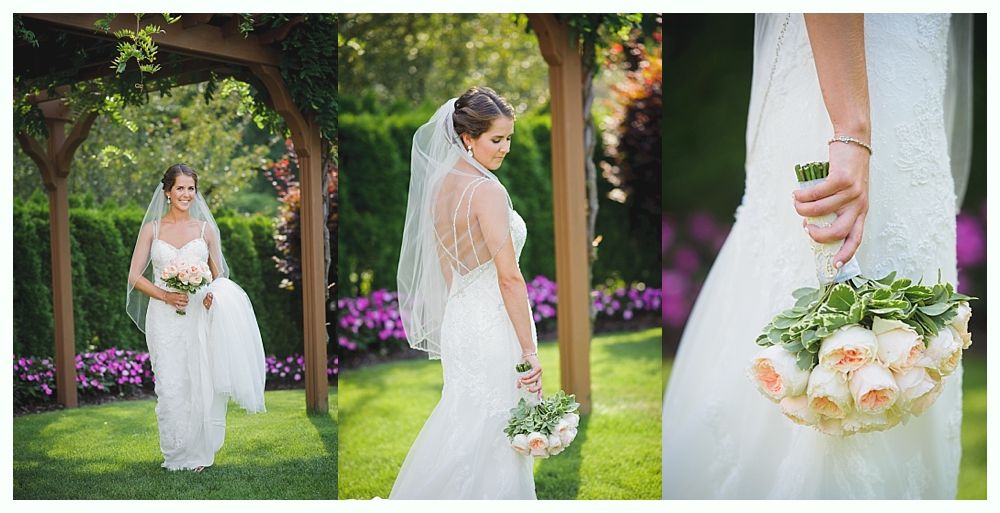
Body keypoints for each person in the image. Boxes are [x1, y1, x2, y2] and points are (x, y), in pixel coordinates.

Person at [662, 14, 972, 499]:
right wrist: (851, 131)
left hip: (911, 99)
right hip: (848, 97)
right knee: (820, 273)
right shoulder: (851, 129)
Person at [391, 86, 541, 499]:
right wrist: (529, 351)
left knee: (466, 420)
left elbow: (448, 270)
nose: (506, 148)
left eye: (509, 138)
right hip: (493, 322)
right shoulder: (487, 191)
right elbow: (509, 278)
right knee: (497, 423)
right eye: (497, 139)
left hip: (461, 320)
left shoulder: (440, 188)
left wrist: (461, 317)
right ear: (467, 138)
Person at [127, 164, 268, 472]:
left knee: (200, 381)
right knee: (170, 384)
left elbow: (220, 277)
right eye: (180, 188)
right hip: (163, 317)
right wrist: (165, 295)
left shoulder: (205, 230)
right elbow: (134, 276)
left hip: (198, 316)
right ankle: (175, 454)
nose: (186, 194)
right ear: (167, 192)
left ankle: (200, 454)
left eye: (191, 188)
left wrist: (211, 296)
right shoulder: (152, 229)